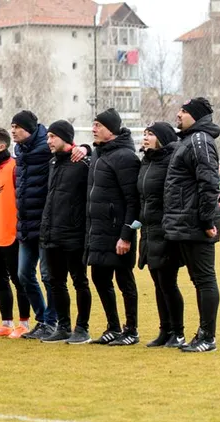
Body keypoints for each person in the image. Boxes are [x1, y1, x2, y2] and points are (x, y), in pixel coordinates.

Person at [164, 97, 220, 353]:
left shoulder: (199, 140)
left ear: (196, 116)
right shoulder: (188, 140)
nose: (178, 114)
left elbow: (209, 182)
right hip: (185, 222)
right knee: (198, 280)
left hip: (196, 223)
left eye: (184, 111)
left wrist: (207, 220)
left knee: (204, 279)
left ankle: (207, 337)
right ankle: (201, 334)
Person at [86, 108, 141, 346]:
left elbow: (133, 201)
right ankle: (113, 326)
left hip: (118, 232)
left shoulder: (126, 157)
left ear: (111, 129)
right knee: (98, 276)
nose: (93, 128)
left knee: (124, 280)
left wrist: (126, 235)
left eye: (98, 125)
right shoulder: (99, 154)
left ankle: (131, 330)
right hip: (97, 231)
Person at [39, 121, 93, 344]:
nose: (49, 141)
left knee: (79, 281)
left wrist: (87, 148)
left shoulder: (82, 163)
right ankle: (63, 326)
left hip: (74, 234)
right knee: (55, 281)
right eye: (48, 136)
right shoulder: (53, 162)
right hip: (51, 234)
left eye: (53, 136)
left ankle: (82, 328)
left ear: (65, 138)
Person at [137, 122, 184, 348]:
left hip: (165, 230)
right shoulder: (146, 161)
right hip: (148, 230)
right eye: (145, 134)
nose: (146, 138)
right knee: (157, 282)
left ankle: (178, 332)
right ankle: (165, 330)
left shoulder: (171, 162)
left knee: (168, 282)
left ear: (163, 137)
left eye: (151, 134)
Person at [10, 110, 56, 339]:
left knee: (48, 276)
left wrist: (84, 149)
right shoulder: (19, 151)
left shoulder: (48, 146)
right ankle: (42, 319)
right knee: (23, 275)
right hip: (25, 225)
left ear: (28, 128)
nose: (13, 130)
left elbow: (73, 147)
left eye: (17, 126)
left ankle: (52, 321)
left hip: (46, 225)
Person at [0, 128, 29, 338]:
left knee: (19, 281)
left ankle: (24, 323)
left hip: (10, 233)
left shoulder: (15, 167)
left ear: (2, 146)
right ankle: (6, 322)